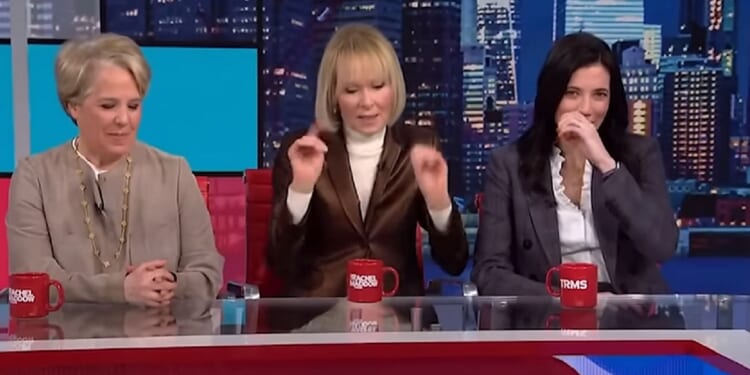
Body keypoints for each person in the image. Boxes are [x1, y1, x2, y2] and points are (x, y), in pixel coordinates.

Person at [6, 33, 224, 306]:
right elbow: (30, 280)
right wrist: (118, 290)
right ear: (73, 106)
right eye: (108, 106)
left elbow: (207, 274)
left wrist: (167, 284)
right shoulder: (35, 176)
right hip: (66, 342)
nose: (124, 119)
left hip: (159, 341)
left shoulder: (175, 173)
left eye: (133, 106)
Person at [268, 23, 468, 297]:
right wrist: (300, 190)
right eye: (351, 90)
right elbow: (279, 263)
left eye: (377, 86)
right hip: (319, 317)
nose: (367, 101)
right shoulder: (302, 150)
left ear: (394, 88)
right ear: (334, 96)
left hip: (397, 316)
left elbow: (454, 263)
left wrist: (439, 204)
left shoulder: (419, 146)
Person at [471, 32, 677, 296]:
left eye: (600, 94)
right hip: (549, 316)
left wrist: (606, 163)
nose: (586, 109)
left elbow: (662, 246)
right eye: (572, 93)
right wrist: (567, 299)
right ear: (552, 96)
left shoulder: (640, 154)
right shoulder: (508, 164)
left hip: (630, 318)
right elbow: (489, 271)